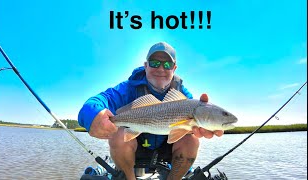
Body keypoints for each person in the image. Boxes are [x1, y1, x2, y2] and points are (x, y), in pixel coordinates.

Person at [78, 42, 224, 180]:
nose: (161, 69)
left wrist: (198, 127)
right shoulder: (128, 88)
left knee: (192, 139)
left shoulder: (183, 94)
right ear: (146, 65)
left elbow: (194, 126)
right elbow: (95, 103)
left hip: (167, 148)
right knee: (118, 136)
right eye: (154, 63)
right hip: (136, 146)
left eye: (167, 64)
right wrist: (93, 115)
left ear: (174, 69)